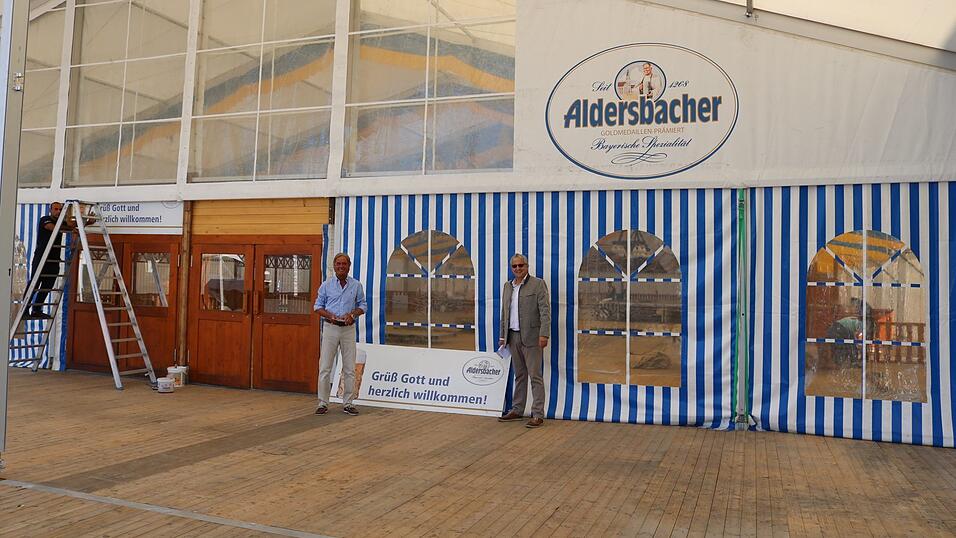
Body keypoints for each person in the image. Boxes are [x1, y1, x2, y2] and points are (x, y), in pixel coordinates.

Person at [498, 254, 551, 428]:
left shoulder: (538, 284)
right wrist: (502, 336)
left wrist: (544, 334)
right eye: (514, 266)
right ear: (511, 268)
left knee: (535, 376)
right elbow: (504, 314)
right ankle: (517, 410)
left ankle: (538, 414)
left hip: (532, 337)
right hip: (512, 337)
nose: (518, 269)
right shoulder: (507, 286)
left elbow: (545, 311)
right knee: (519, 375)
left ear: (527, 266)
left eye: (521, 265)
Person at [314, 252, 366, 416]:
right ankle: (323, 403)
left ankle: (348, 403)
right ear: (334, 266)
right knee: (325, 367)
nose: (341, 267)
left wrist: (352, 314)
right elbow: (317, 306)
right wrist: (330, 315)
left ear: (349, 266)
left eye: (344, 264)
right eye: (338, 264)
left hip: (348, 329)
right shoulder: (326, 285)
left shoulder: (356, 285)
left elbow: (363, 305)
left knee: (350, 368)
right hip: (330, 328)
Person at [26, 202, 72, 319]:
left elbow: (72, 226)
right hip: (41, 259)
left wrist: (86, 223)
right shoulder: (45, 219)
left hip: (54, 260)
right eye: (56, 209)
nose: (58, 212)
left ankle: (36, 309)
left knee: (47, 286)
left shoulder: (61, 222)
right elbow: (51, 228)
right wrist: (67, 227)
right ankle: (24, 309)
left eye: (60, 210)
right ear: (50, 210)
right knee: (35, 284)